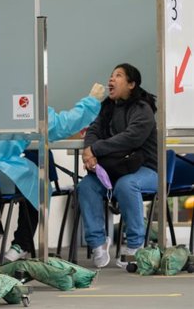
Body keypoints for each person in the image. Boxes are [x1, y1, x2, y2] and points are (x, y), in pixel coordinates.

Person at [0, 83, 105, 262]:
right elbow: (62, 125)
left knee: (32, 184)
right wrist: (91, 101)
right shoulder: (27, 105)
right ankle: (18, 244)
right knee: (36, 186)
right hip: (5, 175)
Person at [77, 63, 157, 268]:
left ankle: (135, 246)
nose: (111, 80)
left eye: (118, 76)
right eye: (111, 76)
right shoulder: (107, 107)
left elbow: (131, 138)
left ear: (131, 84)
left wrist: (96, 149)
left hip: (146, 169)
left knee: (126, 185)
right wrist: (89, 152)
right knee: (86, 186)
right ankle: (97, 243)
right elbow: (93, 130)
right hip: (115, 168)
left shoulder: (142, 109)